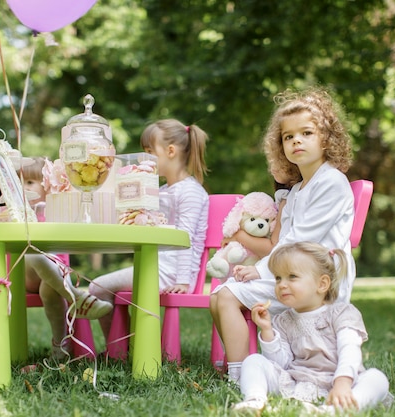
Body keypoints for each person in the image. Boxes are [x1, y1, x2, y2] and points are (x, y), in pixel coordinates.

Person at [210, 86, 355, 383]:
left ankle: (238, 376)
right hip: (294, 271)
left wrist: (262, 271)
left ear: (326, 138)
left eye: (306, 133)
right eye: (288, 137)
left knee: (225, 296)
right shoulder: (298, 189)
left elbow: (298, 241)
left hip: (319, 278)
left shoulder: (332, 183)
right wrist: (262, 271)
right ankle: (242, 364)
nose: (296, 141)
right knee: (218, 297)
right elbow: (283, 240)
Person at [232, 242, 392, 414]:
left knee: (377, 378)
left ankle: (334, 410)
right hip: (298, 382)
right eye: (278, 278)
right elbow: (281, 364)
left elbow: (349, 350)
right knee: (253, 360)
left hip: (339, 382)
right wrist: (267, 330)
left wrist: (343, 383)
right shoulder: (283, 320)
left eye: (292, 276)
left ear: (322, 284)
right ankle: (255, 400)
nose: (281, 284)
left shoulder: (342, 313)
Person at [89, 119, 210, 341]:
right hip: (158, 267)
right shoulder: (162, 190)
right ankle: (121, 347)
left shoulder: (190, 192)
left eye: (149, 151)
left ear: (170, 151)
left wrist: (183, 281)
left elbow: (185, 238)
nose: (144, 158)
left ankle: (117, 350)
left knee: (98, 288)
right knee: (100, 287)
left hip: (172, 274)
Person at [19, 157, 113, 360]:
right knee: (32, 251)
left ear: (47, 187)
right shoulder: (16, 213)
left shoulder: (56, 211)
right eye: (20, 182)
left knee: (49, 287)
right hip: (25, 276)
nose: (23, 188)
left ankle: (60, 347)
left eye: (29, 182)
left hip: (54, 275)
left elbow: (62, 256)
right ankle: (76, 297)